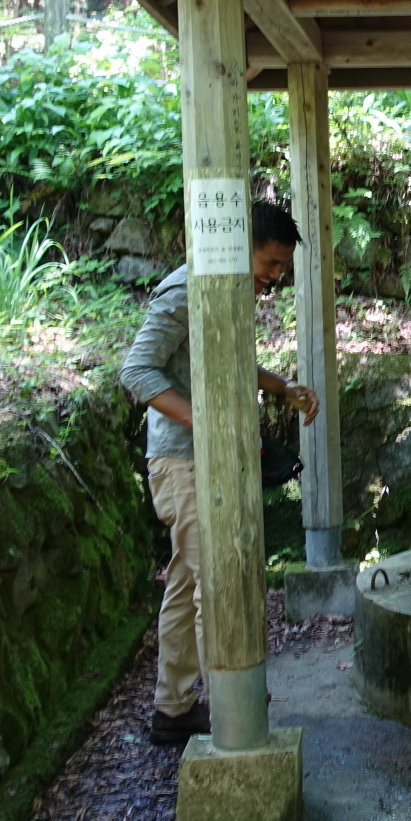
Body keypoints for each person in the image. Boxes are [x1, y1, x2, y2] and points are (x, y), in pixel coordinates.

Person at [120, 201, 320, 747]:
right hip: (182, 461)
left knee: (186, 584)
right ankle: (235, 720)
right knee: (214, 580)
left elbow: (224, 359)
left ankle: (173, 708)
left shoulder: (226, 289)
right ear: (242, 245)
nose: (275, 278)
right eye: (272, 263)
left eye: (282, 269)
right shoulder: (188, 289)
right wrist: (204, 421)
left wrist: (282, 387)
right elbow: (136, 370)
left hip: (200, 456)